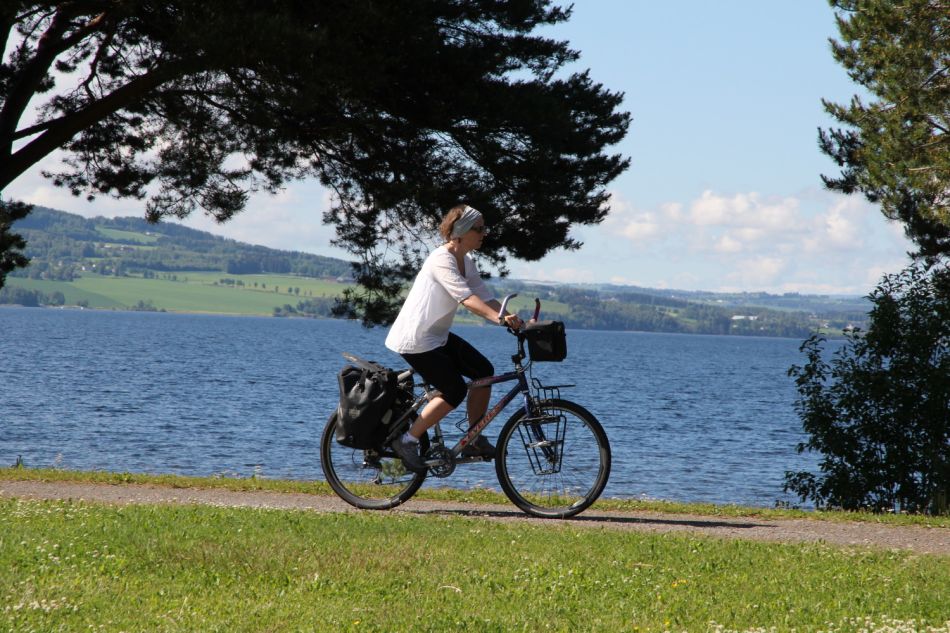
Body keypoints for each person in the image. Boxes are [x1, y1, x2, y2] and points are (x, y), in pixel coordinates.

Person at [384, 204, 523, 471]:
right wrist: (499, 319)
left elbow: (485, 297)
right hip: (416, 340)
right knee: (454, 390)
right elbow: (467, 299)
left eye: (484, 228)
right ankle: (407, 440)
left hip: (436, 336)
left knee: (483, 371)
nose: (484, 233)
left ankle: (473, 438)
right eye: (478, 229)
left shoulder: (465, 261)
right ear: (460, 231)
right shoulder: (441, 259)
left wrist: (516, 320)